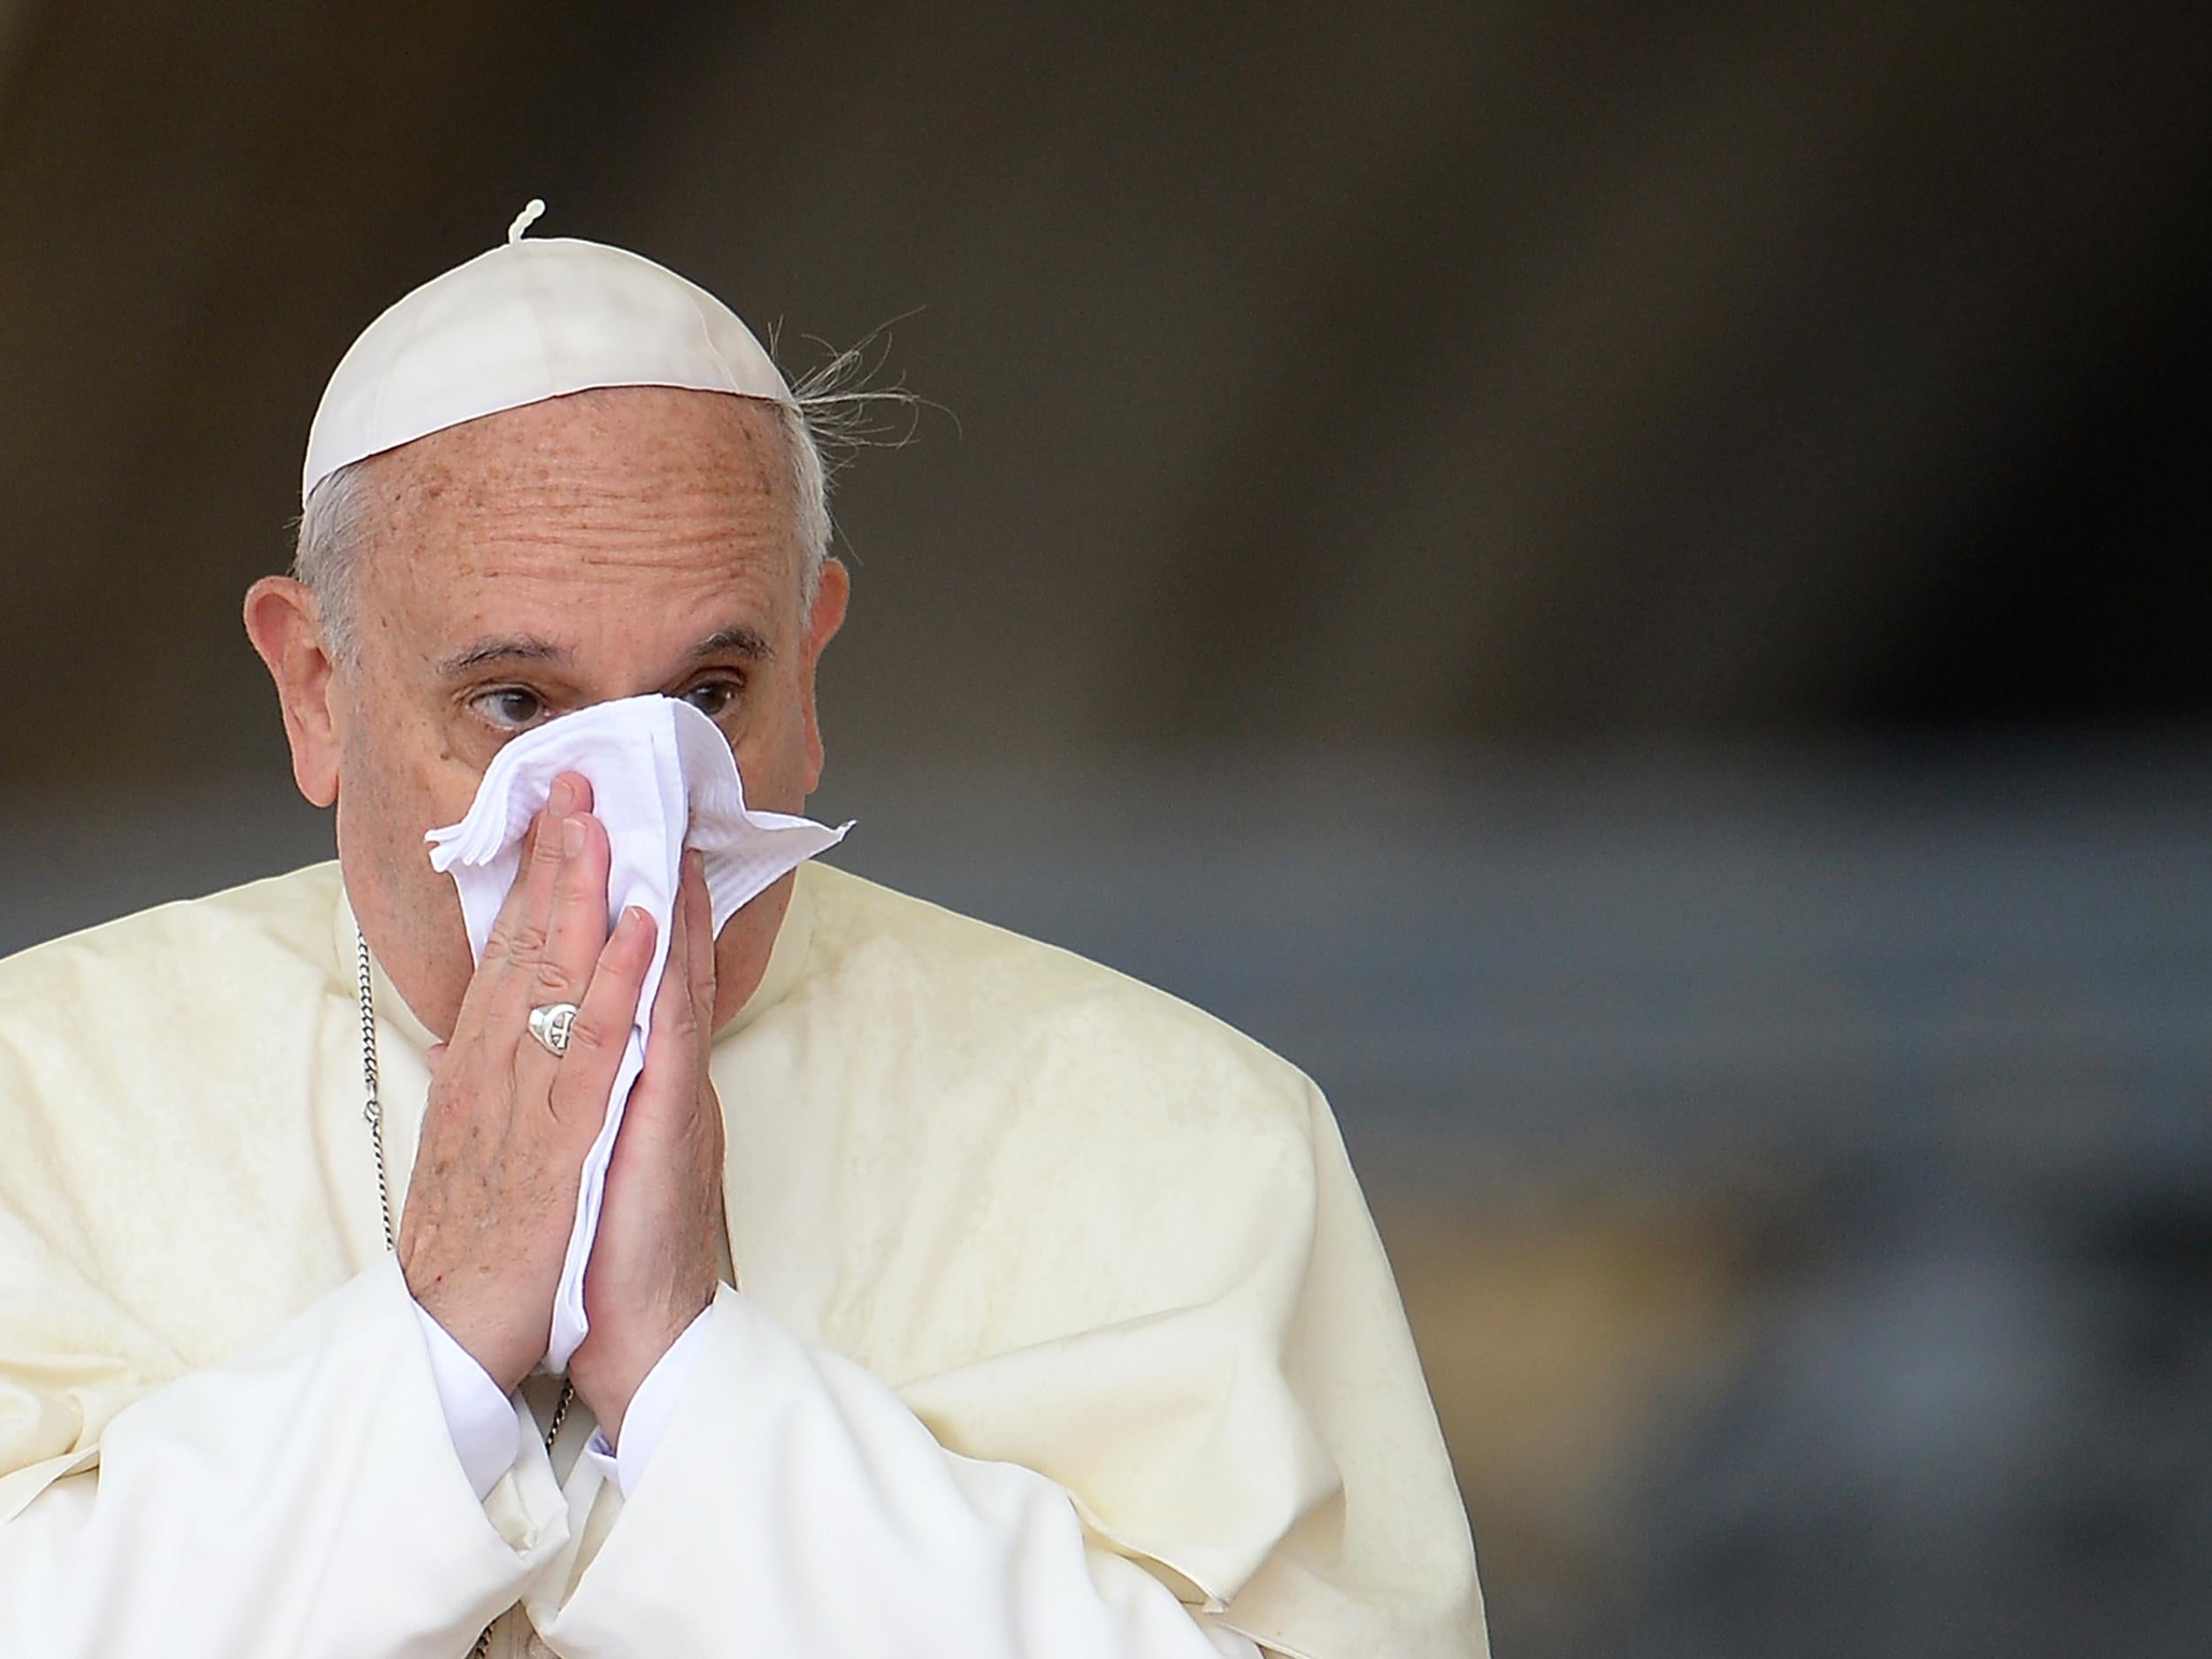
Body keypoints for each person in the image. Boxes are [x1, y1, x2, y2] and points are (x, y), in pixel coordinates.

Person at [0, 210, 1486, 1658]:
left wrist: (697, 1390)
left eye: (709, 695)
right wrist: (431, 1358)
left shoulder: (1186, 1139)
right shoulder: (38, 1104)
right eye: (516, 705)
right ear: (317, 689)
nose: (637, 809)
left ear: (813, 665)